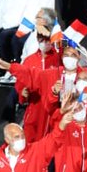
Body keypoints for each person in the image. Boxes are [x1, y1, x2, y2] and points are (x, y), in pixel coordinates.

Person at [11, 11, 63, 141]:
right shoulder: (29, 61)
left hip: (54, 109)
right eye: (40, 37)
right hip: (35, 108)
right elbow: (20, 85)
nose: (43, 41)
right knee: (32, 142)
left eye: (46, 38)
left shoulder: (59, 58)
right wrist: (23, 94)